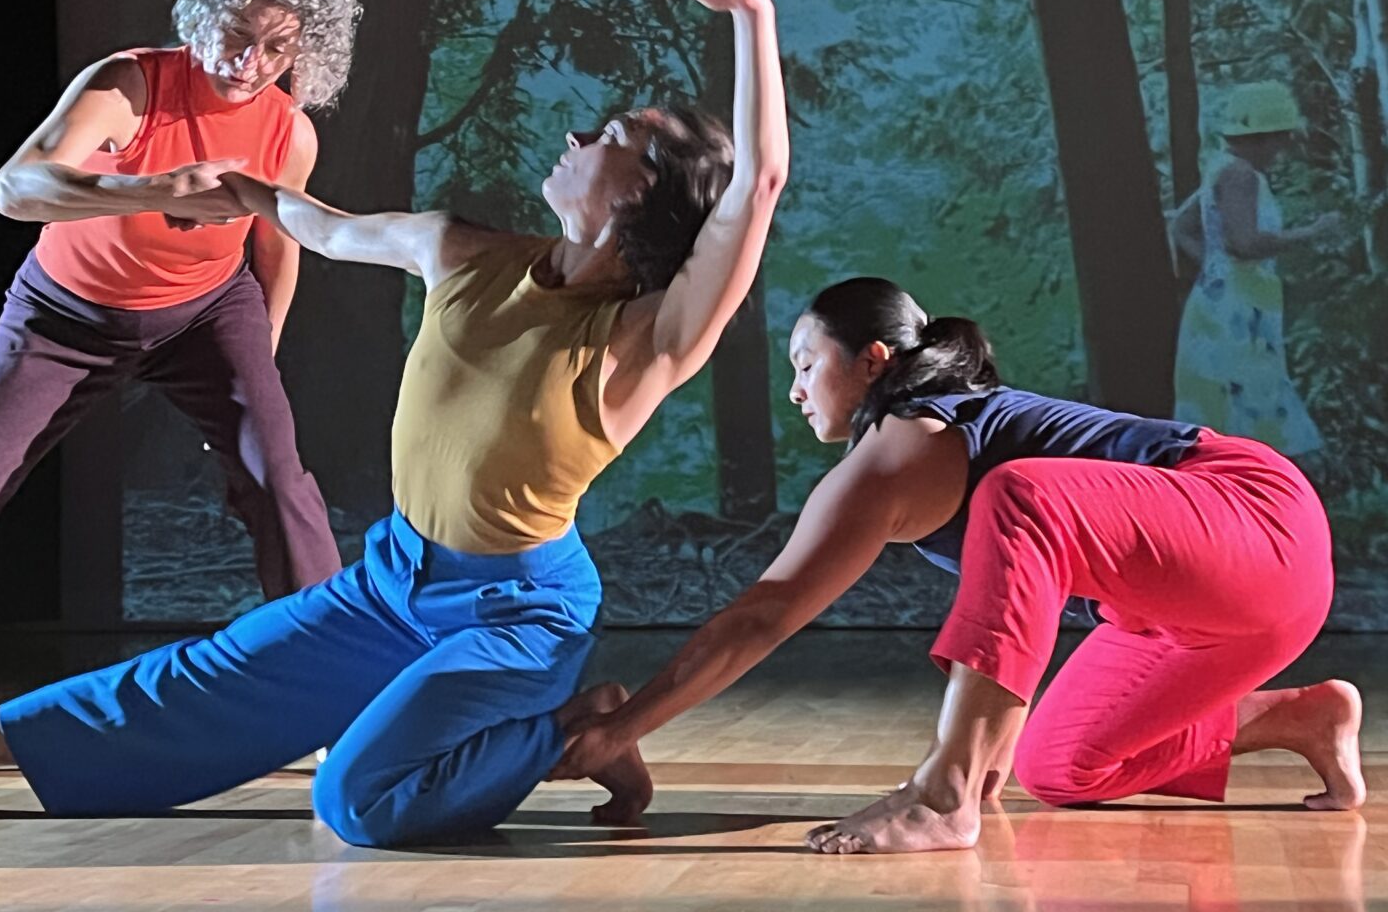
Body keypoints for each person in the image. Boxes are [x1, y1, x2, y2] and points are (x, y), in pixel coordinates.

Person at [0, 0, 792, 849]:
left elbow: (756, 185)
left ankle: (573, 730)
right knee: (195, 681)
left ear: (642, 196)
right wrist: (230, 188)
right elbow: (325, 228)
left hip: (517, 610)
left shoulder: (647, 339)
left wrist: (750, 12)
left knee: (359, 800)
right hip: (393, 578)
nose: (582, 132)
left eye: (615, 136)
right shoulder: (462, 250)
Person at [554, 276, 1364, 854]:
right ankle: (1301, 717)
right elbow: (779, 611)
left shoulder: (910, 434)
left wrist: (622, 729)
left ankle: (943, 795)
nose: (795, 390)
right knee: (1063, 767)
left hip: (1258, 523)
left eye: (806, 363)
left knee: (1021, 493)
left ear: (874, 360)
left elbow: (763, 617)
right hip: (1217, 618)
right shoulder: (887, 462)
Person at [0, 0, 362, 720]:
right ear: (204, 14)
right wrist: (154, 187)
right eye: (236, 37)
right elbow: (14, 190)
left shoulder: (287, 130)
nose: (249, 65)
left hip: (206, 317)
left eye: (276, 49)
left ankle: (346, 711)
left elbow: (277, 250)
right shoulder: (130, 84)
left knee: (282, 486)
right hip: (63, 320)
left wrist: (256, 367)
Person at [1172, 80, 1340, 458]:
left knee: (1233, 391)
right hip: (1238, 308)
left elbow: (1183, 227)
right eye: (1279, 139)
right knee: (1250, 392)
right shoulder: (1241, 174)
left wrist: (1216, 273)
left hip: (1228, 301)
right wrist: (1309, 232)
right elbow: (1244, 243)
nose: (1281, 150)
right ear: (1264, 136)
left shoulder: (1221, 168)